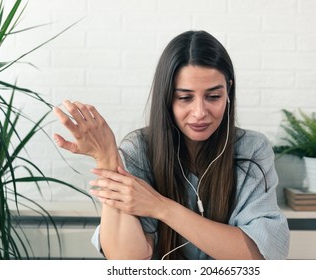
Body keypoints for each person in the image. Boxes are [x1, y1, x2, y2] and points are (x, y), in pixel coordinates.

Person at [52, 30, 290, 260]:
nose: (200, 113)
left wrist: (161, 207)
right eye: (185, 98)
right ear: (166, 97)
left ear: (228, 89)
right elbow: (127, 260)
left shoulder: (252, 148)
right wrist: (107, 160)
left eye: (213, 97)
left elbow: (261, 256)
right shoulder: (140, 150)